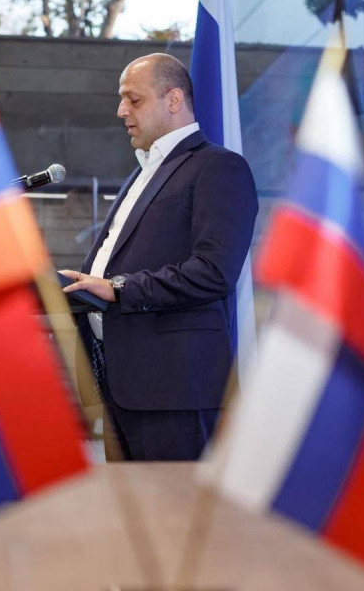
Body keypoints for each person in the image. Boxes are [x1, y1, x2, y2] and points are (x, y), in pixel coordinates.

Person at [60, 53, 257, 462]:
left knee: (177, 503)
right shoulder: (141, 172)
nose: (121, 111)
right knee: (132, 505)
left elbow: (214, 271)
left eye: (133, 99)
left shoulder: (219, 168)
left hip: (176, 391)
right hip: (121, 387)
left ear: (173, 100)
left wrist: (118, 288)